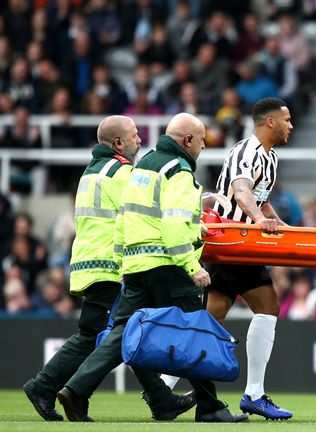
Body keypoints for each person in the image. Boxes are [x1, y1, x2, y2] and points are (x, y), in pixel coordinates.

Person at [56, 113, 247, 423]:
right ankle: (210, 408)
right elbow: (172, 224)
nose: (202, 146)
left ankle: (76, 389)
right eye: (201, 141)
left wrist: (122, 260)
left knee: (121, 334)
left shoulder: (141, 167)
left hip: (135, 264)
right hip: (168, 265)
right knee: (195, 332)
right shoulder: (179, 172)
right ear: (187, 141)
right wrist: (191, 265)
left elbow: (125, 218)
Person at [23, 116, 194, 422]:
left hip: (89, 263)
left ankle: (160, 400)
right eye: (134, 136)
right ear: (118, 143)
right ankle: (43, 386)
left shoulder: (92, 172)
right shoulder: (123, 172)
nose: (140, 140)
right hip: (111, 265)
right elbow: (150, 207)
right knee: (100, 335)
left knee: (126, 331)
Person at [162, 98, 294, 420]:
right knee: (246, 310)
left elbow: (260, 202)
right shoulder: (245, 152)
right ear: (270, 123)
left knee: (223, 313)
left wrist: (285, 228)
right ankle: (250, 394)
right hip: (230, 242)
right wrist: (260, 221)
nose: (291, 126)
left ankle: (165, 387)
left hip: (245, 246)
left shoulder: (271, 158)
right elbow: (242, 191)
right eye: (287, 120)